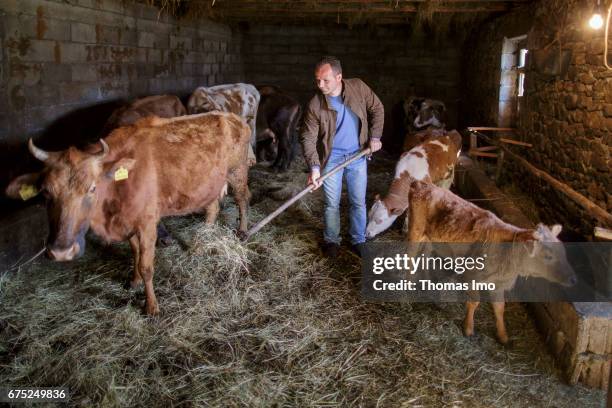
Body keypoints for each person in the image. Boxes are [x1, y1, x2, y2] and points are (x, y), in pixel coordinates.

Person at [300, 56, 384, 258]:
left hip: (358, 154)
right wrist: (314, 167)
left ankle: (358, 239)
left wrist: (374, 137)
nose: (320, 85)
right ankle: (331, 240)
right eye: (317, 80)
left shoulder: (358, 88)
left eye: (325, 80)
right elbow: (308, 136)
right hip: (332, 158)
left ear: (339, 77)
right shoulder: (315, 104)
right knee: (332, 203)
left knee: (358, 201)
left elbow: (377, 109)